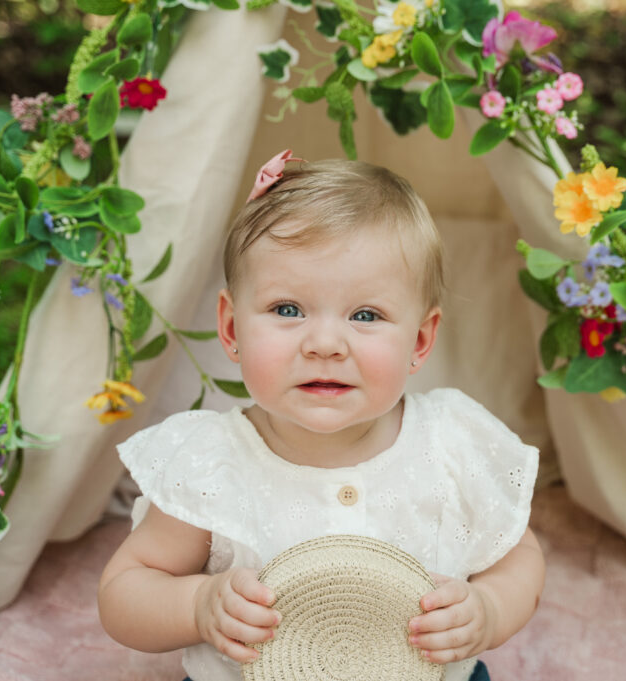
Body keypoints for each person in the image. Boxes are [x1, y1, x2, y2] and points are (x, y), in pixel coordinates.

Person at [97, 150, 546, 681]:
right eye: (288, 309)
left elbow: (517, 559)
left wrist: (488, 608)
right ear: (232, 328)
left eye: (365, 315)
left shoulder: (450, 442)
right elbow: (126, 590)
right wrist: (197, 603)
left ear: (420, 340)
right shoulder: (211, 464)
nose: (326, 344)